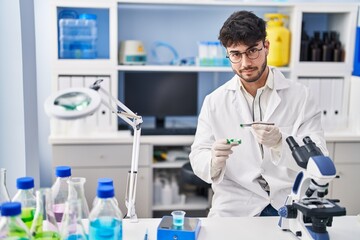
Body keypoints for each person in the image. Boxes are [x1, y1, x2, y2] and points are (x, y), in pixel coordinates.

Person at [189, 10, 328, 217]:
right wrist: (213, 160)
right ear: (228, 54)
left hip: (288, 202)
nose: (245, 63)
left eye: (252, 51)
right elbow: (198, 154)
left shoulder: (301, 97)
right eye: (236, 54)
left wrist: (282, 142)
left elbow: (320, 157)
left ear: (266, 47)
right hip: (235, 207)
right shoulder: (214, 102)